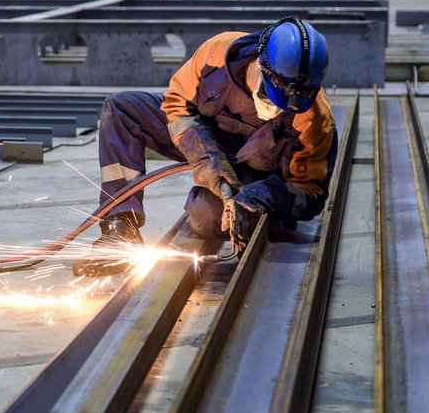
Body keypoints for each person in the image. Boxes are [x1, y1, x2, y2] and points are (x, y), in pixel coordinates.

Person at [73, 17, 337, 277]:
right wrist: (204, 156)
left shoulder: (315, 118)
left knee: (205, 217)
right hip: (207, 137)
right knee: (122, 109)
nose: (282, 106)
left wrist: (266, 195)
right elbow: (176, 103)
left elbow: (312, 190)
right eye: (274, 94)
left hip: (254, 170)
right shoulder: (217, 53)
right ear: (260, 65)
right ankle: (120, 229)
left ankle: (251, 212)